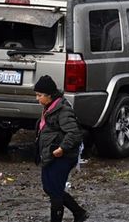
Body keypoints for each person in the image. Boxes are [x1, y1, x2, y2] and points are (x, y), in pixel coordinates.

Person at [34, 74, 88, 222]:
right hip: (50, 155)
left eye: (39, 95)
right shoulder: (49, 108)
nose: (37, 98)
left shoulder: (62, 110)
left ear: (49, 95)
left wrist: (62, 148)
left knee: (55, 192)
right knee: (49, 188)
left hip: (62, 157)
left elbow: (74, 133)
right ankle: (79, 212)